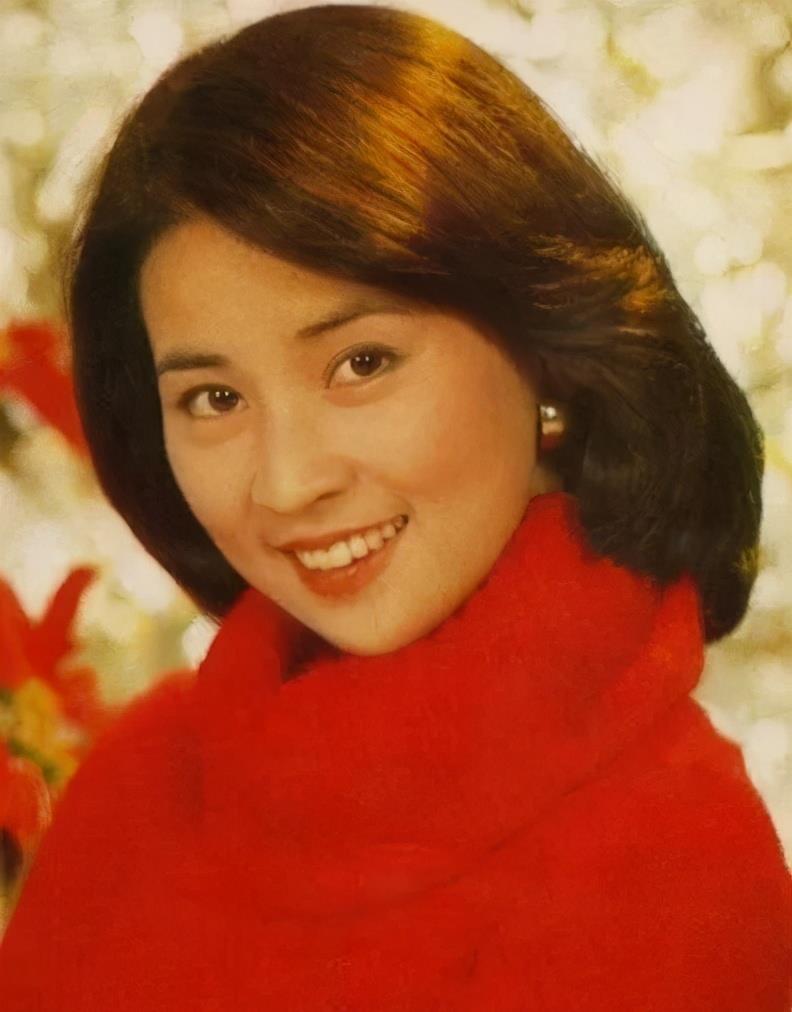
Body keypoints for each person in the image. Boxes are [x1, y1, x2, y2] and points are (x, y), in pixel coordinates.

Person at [0, 4, 790, 1008]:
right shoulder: (136, 785)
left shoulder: (675, 858)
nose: (288, 483)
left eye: (362, 363)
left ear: (545, 347)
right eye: (214, 399)